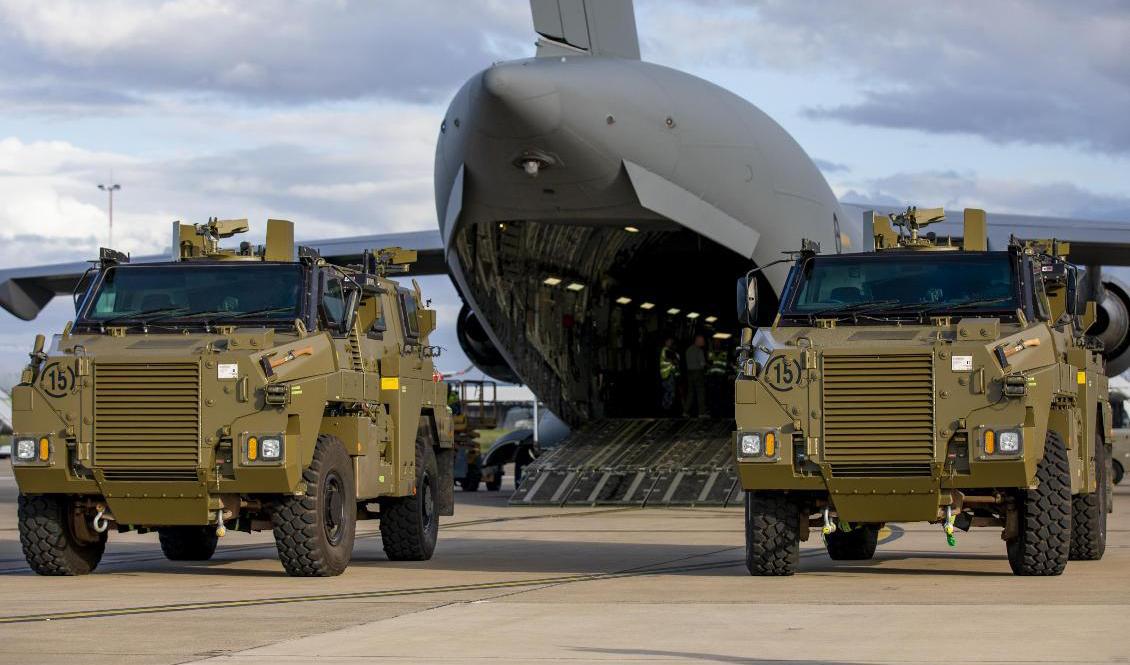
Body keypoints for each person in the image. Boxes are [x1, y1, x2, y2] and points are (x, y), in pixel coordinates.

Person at [684, 335, 707, 417]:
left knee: (690, 393)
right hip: (698, 372)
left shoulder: (688, 350)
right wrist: (706, 365)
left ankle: (685, 411)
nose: (703, 342)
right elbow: (702, 363)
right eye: (702, 341)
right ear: (698, 341)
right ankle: (702, 412)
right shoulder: (699, 351)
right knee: (700, 392)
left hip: (689, 373)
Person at [706, 338, 731, 417]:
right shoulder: (710, 353)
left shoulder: (724, 353)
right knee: (712, 396)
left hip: (721, 377)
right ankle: (713, 413)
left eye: (718, 342)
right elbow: (708, 363)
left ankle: (720, 413)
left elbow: (726, 363)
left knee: (720, 396)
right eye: (715, 342)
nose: (717, 344)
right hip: (712, 377)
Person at [659, 337, 681, 414]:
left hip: (669, 374)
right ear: (666, 342)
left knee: (669, 391)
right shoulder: (665, 350)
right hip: (667, 374)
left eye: (671, 341)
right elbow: (672, 361)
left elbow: (675, 364)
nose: (670, 343)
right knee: (670, 391)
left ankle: (666, 407)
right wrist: (675, 360)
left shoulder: (671, 351)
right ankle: (666, 407)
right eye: (669, 341)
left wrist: (677, 374)